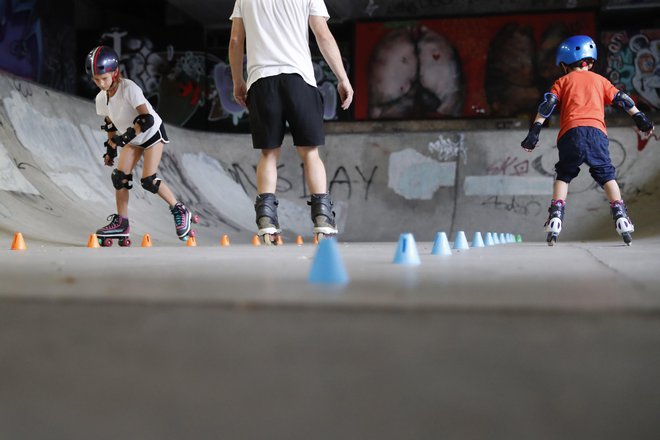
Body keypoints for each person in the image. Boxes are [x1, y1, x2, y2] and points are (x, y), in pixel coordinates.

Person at [228, 0, 354, 245]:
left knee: (269, 154)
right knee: (310, 154)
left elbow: (235, 41)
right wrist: (342, 78)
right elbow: (323, 34)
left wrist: (237, 81)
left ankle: (266, 219)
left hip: (262, 82)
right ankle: (323, 220)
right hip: (300, 81)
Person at [521, 35, 654, 246]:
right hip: (596, 134)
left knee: (564, 174)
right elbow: (623, 99)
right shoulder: (600, 81)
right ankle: (621, 216)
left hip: (570, 134)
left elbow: (547, 106)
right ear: (590, 62)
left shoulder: (562, 81)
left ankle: (556, 215)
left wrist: (534, 131)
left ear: (564, 64)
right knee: (606, 174)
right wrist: (641, 118)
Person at [86, 45, 197, 246]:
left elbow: (146, 119)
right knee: (119, 177)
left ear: (115, 73)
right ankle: (122, 222)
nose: (101, 84)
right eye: (96, 80)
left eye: (104, 78)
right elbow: (110, 123)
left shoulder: (129, 88)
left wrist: (123, 138)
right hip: (133, 139)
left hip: (152, 134)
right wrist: (110, 149)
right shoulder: (101, 99)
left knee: (148, 180)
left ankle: (179, 208)